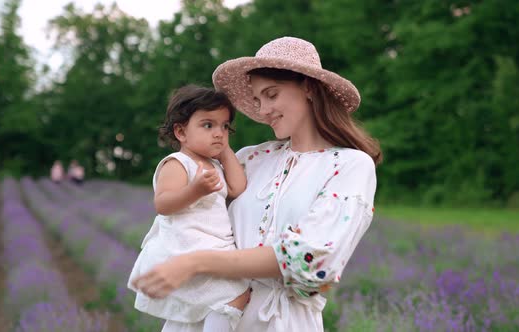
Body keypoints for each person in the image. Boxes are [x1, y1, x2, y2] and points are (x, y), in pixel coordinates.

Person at [132, 37, 383, 332]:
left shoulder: (348, 165)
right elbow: (190, 219)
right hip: (211, 314)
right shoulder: (251, 158)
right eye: (257, 99)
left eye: (272, 94)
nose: (263, 110)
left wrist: (198, 263)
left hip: (282, 322)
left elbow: (310, 259)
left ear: (309, 87)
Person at [127, 85, 251, 332]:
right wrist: (194, 191)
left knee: (194, 316)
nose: (219, 133)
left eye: (224, 126)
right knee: (235, 294)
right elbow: (163, 204)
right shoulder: (177, 164)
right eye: (208, 125)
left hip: (213, 247)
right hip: (188, 247)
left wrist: (225, 151)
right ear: (181, 132)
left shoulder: (215, 165)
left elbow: (237, 187)